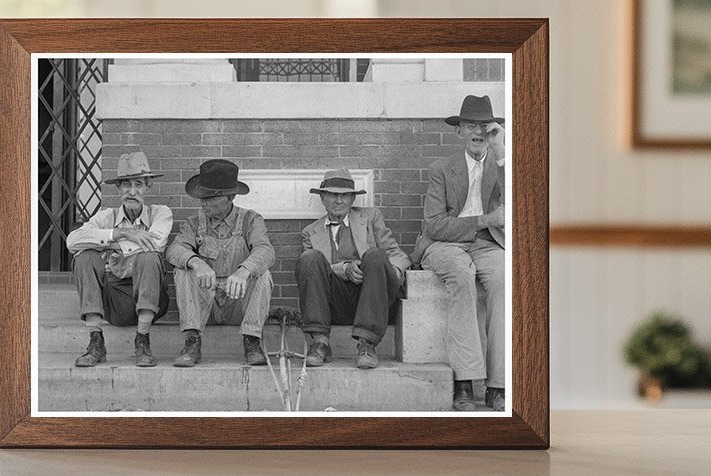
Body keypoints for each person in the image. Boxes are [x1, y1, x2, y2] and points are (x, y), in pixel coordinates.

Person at [412, 95, 507, 412]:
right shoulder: (442, 169)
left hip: (487, 244)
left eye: (484, 125)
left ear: (492, 129)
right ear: (459, 132)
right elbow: (435, 225)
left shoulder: (500, 164)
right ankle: (464, 383)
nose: (478, 132)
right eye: (470, 125)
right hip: (444, 245)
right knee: (462, 277)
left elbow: (519, 205)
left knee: (503, 279)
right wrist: (483, 219)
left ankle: (498, 385)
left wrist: (502, 154)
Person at [66, 151, 172, 369]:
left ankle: (142, 340)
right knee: (84, 257)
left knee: (149, 257)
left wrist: (107, 243)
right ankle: (96, 342)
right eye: (126, 185)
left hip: (151, 297)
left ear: (147, 187)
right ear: (118, 189)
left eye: (138, 185)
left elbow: (156, 243)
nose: (132, 192)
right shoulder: (107, 217)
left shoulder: (160, 213)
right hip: (115, 300)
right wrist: (121, 234)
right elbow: (72, 241)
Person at [165, 159, 275, 367]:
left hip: (238, 304)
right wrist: (196, 262)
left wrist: (244, 271)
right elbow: (174, 250)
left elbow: (266, 250)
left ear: (230, 197)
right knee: (183, 270)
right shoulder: (193, 223)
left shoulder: (251, 220)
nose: (203, 202)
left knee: (263, 274)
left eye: (210, 197)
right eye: (201, 196)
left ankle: (252, 341)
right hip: (207, 305)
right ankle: (192, 342)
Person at [296, 170, 410, 370]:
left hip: (372, 297)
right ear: (323, 198)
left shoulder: (370, 217)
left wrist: (389, 272)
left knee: (375, 255)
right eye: (333, 195)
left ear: (352, 198)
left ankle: (367, 344)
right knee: (309, 259)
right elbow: (314, 274)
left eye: (345, 195)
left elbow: (397, 254)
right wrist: (344, 268)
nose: (339, 200)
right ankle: (320, 342)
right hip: (335, 302)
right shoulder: (310, 232)